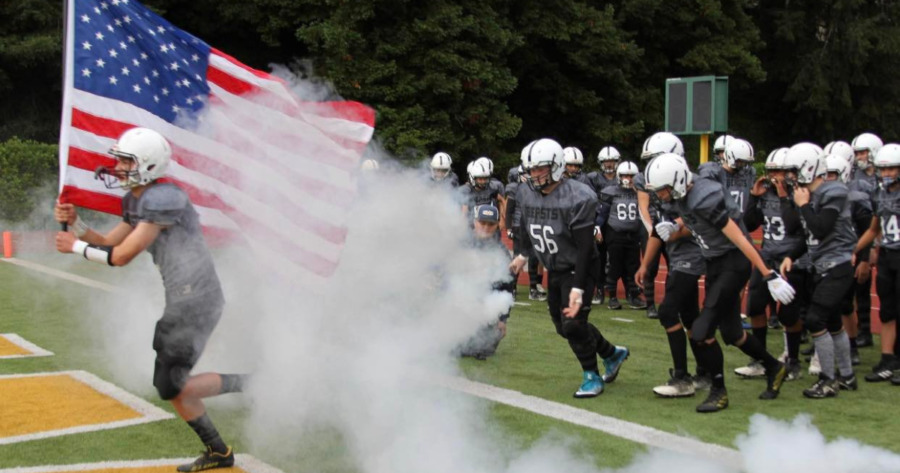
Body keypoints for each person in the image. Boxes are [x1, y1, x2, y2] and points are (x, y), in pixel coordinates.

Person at [54, 128, 245, 471]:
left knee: (171, 386)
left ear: (148, 165)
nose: (117, 167)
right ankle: (221, 446)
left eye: (126, 161)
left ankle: (243, 397)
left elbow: (123, 256)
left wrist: (76, 247)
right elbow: (110, 245)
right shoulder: (137, 200)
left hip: (197, 300)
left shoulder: (164, 198)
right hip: (184, 300)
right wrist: (78, 225)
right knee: (172, 386)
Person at [645, 153, 793, 413]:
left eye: (664, 189)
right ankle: (774, 367)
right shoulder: (685, 195)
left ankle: (719, 391)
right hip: (715, 262)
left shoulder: (704, 197)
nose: (662, 195)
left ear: (678, 181)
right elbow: (698, 224)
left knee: (701, 331)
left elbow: (740, 238)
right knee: (733, 333)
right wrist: (676, 227)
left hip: (733, 263)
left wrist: (768, 273)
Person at [510, 138, 629, 398]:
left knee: (573, 324)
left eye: (540, 168)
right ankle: (612, 353)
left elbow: (586, 247)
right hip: (556, 266)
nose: (534, 174)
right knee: (564, 327)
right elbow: (527, 227)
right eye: (531, 169)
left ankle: (591, 376)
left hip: (581, 266)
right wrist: (522, 254)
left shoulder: (577, 195)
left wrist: (578, 287)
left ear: (556, 166)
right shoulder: (526, 192)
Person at [780, 143, 858, 398]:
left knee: (815, 319)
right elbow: (808, 237)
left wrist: (802, 205)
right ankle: (846, 376)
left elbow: (821, 228)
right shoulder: (810, 194)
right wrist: (791, 256)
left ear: (809, 167)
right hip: (821, 266)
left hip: (838, 265)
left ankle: (828, 379)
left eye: (793, 170)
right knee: (833, 323)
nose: (790, 176)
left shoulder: (833, 191)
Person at [736, 147, 807, 382]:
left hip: (790, 260)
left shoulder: (800, 194)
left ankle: (793, 361)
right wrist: (754, 197)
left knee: (788, 315)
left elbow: (795, 226)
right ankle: (760, 359)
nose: (775, 176)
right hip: (767, 258)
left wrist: (784, 195)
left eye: (780, 171)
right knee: (755, 308)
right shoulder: (765, 193)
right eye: (772, 171)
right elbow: (747, 223)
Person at [856, 143, 900, 384]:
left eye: (892, 168)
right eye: (883, 169)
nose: (887, 174)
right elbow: (875, 228)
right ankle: (887, 358)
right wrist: (856, 249)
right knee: (887, 311)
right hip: (886, 256)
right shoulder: (879, 193)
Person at [634, 132, 685, 320]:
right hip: (656, 225)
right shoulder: (643, 178)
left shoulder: (686, 177)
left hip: (680, 227)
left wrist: (677, 225)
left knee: (678, 267)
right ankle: (650, 304)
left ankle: (674, 303)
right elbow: (643, 206)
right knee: (650, 266)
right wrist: (651, 231)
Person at [458, 205, 515, 360]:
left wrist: (502, 320)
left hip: (484, 309)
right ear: (474, 222)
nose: (486, 227)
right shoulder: (459, 244)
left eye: (491, 224)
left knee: (482, 350)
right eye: (482, 223)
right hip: (457, 306)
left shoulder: (502, 253)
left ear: (497, 225)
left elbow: (507, 289)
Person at [849, 132, 884, 348]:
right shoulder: (854, 176)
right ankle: (863, 330)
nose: (859, 157)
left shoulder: (883, 176)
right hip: (862, 232)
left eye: (863, 152)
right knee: (858, 286)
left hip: (881, 234)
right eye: (857, 153)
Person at [597, 161, 646, 310]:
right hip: (615, 234)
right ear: (619, 176)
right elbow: (602, 214)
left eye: (631, 176)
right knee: (614, 266)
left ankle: (632, 295)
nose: (628, 179)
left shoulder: (640, 192)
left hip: (633, 235)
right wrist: (597, 228)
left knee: (633, 266)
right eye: (625, 175)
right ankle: (612, 297)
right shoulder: (610, 191)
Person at [586, 146, 621, 305]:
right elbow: (590, 200)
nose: (609, 164)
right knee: (598, 257)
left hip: (618, 223)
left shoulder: (623, 177)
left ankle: (616, 290)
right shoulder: (594, 178)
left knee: (617, 258)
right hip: (600, 222)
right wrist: (595, 225)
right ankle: (599, 289)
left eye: (612, 161)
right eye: (606, 161)